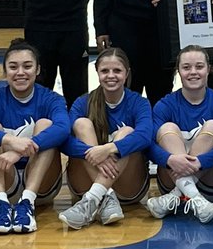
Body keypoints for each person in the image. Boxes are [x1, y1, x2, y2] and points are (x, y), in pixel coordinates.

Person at [0, 39, 68, 235]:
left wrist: (21, 151)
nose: (20, 72)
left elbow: (63, 129)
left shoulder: (51, 98)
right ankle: (1, 204)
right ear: (5, 72)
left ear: (37, 70)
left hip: (41, 188)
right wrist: (9, 141)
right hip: (5, 180)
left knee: (46, 125)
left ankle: (27, 202)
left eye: (27, 66)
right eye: (13, 67)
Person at [60, 47, 154, 230]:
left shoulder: (139, 102)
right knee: (81, 124)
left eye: (117, 70)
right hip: (84, 184)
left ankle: (92, 199)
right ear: (97, 72)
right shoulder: (83, 102)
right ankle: (105, 194)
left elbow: (145, 136)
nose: (111, 75)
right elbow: (64, 141)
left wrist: (108, 149)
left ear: (127, 73)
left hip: (129, 187)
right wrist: (93, 153)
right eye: (105, 71)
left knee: (127, 132)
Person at [145, 45, 213, 224]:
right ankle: (196, 199)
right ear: (178, 71)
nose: (193, 72)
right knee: (166, 128)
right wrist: (169, 159)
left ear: (209, 69)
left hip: (211, 185)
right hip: (170, 178)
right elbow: (147, 144)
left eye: (199, 66)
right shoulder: (165, 105)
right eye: (186, 67)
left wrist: (201, 162)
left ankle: (178, 195)